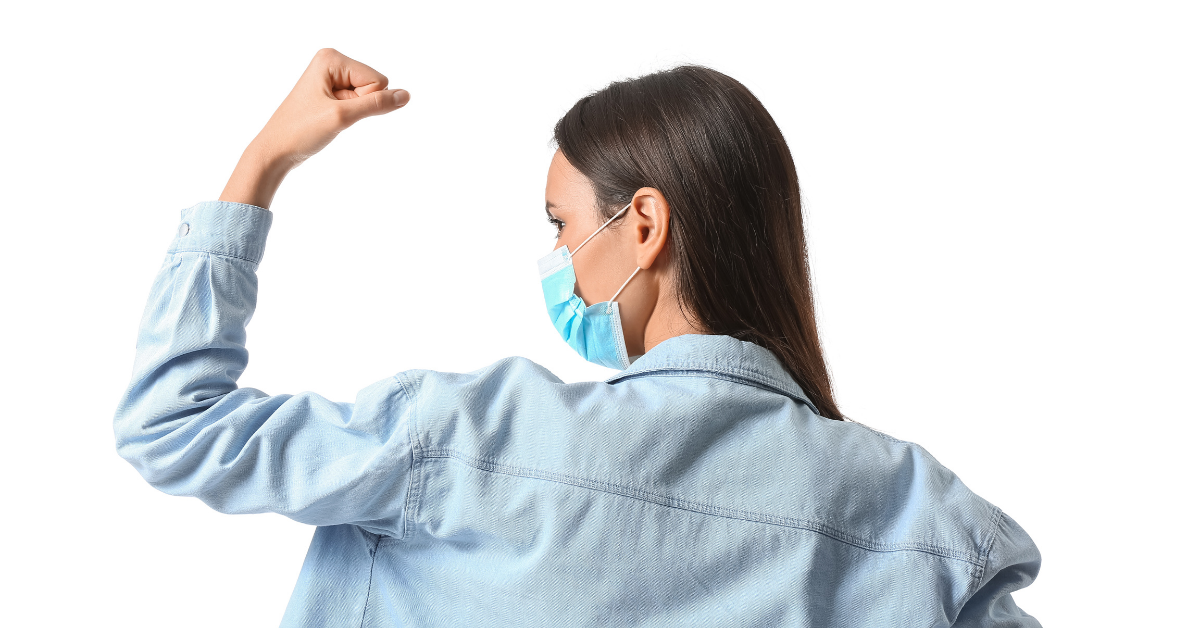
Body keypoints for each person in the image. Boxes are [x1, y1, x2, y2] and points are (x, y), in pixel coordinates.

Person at [114, 48, 1041, 627]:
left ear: (644, 226)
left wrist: (262, 163)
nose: (556, 256)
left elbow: (172, 424)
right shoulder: (919, 520)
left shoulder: (470, 441)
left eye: (560, 224)